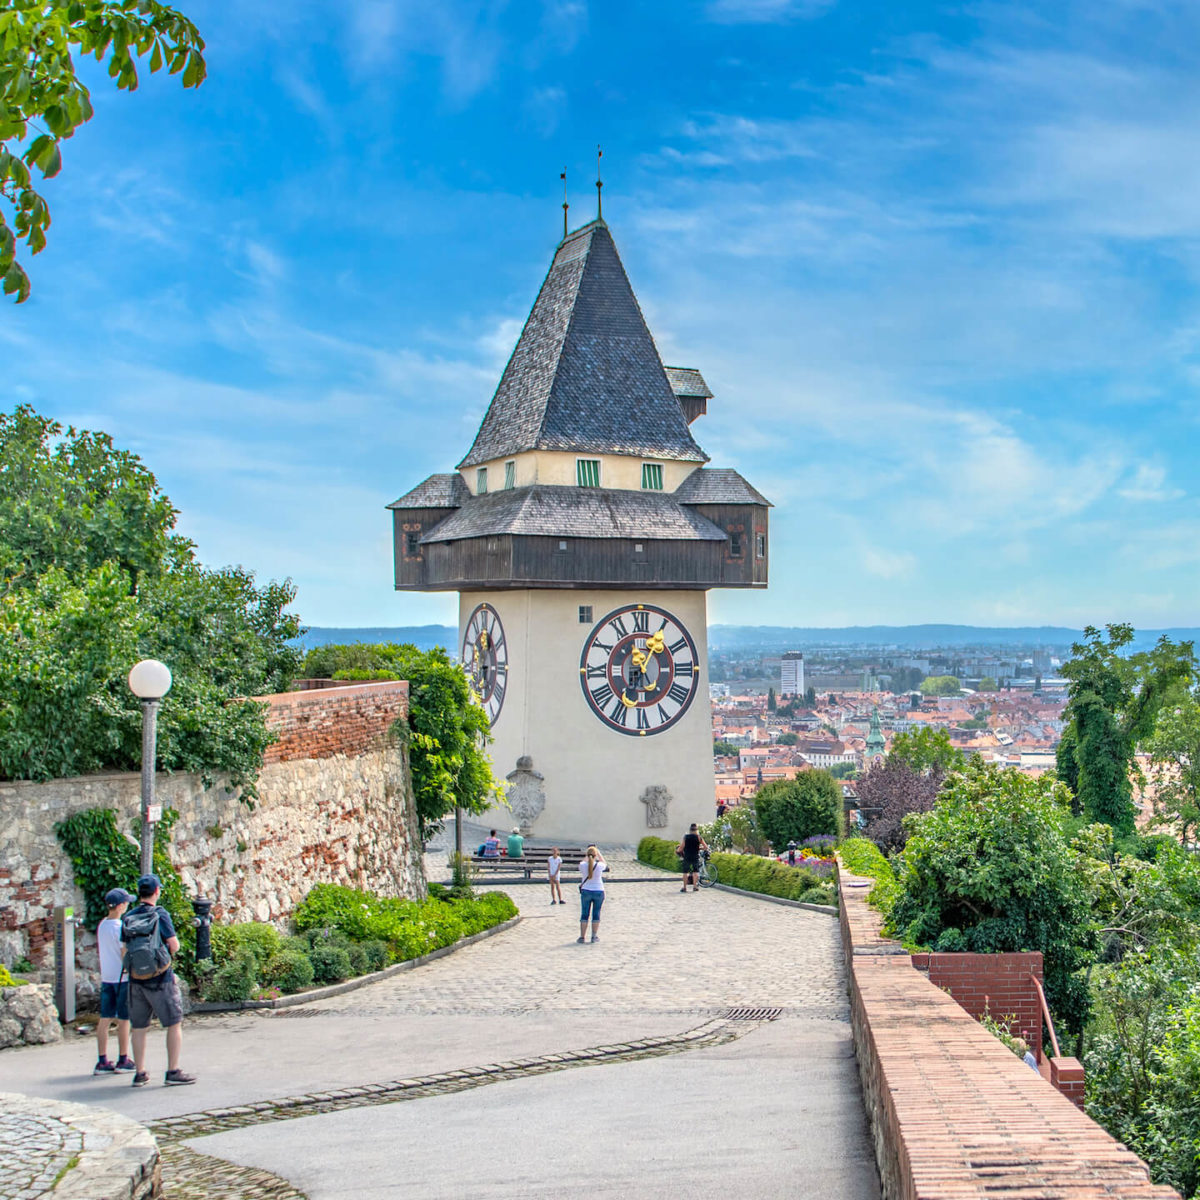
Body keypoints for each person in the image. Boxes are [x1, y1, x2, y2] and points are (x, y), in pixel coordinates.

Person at [122, 874, 195, 1087]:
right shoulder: (159, 914)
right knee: (173, 1023)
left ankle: (140, 1072)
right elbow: (174, 945)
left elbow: (124, 950)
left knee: (139, 1027)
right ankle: (172, 1070)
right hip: (161, 978)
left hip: (136, 980)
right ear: (156, 891)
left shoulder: (128, 917)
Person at [94, 888, 136, 1075]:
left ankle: (102, 1060)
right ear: (120, 906)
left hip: (107, 977)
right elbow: (123, 953)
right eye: (126, 902)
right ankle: (123, 1058)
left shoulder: (103, 925)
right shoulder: (120, 927)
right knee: (124, 1019)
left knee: (105, 1018)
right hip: (122, 977)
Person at [578, 845, 606, 943]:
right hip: (598, 890)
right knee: (596, 914)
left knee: (584, 914)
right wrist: (598, 852)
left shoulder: (582, 865)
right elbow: (604, 862)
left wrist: (588, 854)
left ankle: (582, 937)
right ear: (595, 855)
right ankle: (594, 936)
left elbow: (583, 861)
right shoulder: (600, 866)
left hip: (586, 890)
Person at [677, 823, 707, 893]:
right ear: (697, 830)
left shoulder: (686, 837)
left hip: (687, 856)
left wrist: (677, 850)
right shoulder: (699, 837)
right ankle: (695, 887)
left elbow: (681, 848)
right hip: (695, 856)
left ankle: (684, 888)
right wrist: (699, 848)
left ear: (690, 830)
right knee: (695, 871)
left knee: (685, 872)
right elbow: (706, 847)